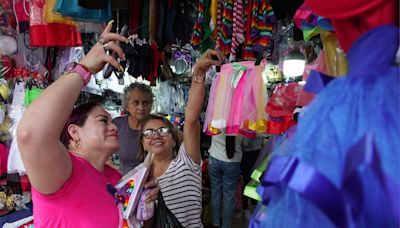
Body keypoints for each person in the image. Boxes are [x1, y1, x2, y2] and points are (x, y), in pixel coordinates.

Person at [16, 21, 159, 227]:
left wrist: (143, 205)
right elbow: (30, 134)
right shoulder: (65, 171)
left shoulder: (113, 176)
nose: (113, 127)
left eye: (112, 121)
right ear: (74, 133)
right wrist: (83, 70)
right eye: (103, 120)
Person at [136, 49, 224, 227]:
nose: (156, 135)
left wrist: (198, 75)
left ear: (175, 140)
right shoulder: (139, 175)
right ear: (143, 144)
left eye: (163, 130)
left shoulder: (186, 161)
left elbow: (191, 120)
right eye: (148, 133)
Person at [113, 82, 154, 175]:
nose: (141, 107)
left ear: (150, 105)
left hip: (153, 184)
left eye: (145, 103)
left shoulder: (158, 125)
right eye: (136, 103)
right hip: (126, 183)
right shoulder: (118, 124)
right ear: (127, 106)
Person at [208, 131, 243, 228]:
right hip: (232, 162)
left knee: (215, 193)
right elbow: (246, 143)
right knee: (229, 197)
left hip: (214, 157)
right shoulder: (241, 120)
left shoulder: (216, 117)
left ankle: (215, 223)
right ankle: (226, 225)